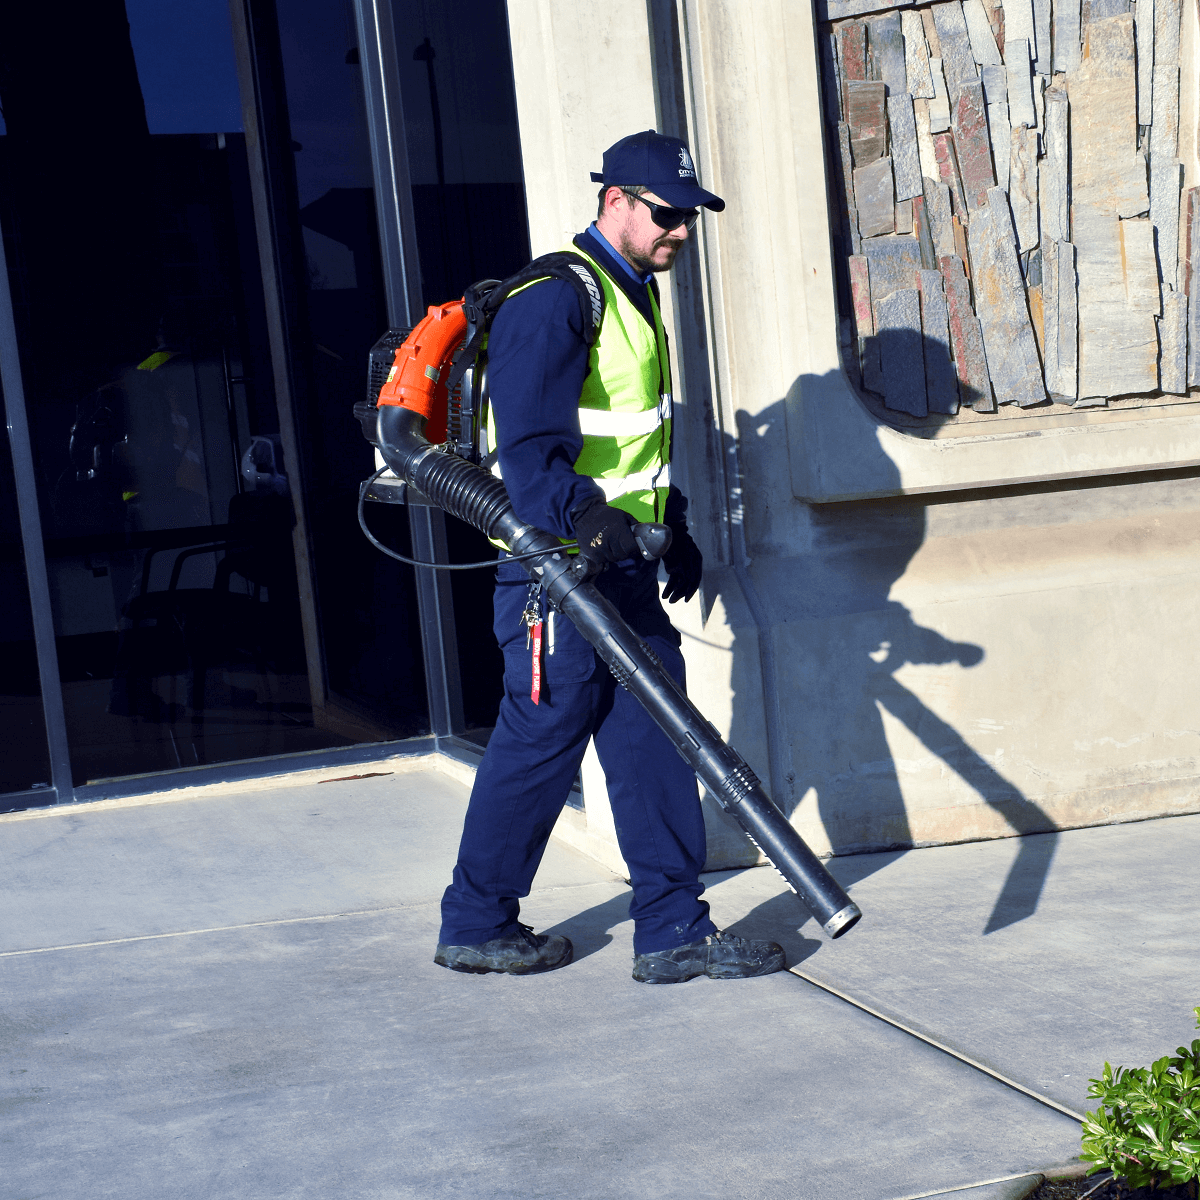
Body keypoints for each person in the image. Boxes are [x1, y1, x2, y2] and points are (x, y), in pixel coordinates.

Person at [434, 131, 785, 985]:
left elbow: (631, 443)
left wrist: (676, 522)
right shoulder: (556, 298)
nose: (680, 233)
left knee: (655, 738)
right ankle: (477, 921)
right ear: (616, 199)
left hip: (618, 569)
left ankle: (672, 929)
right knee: (541, 739)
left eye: (689, 218)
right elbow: (529, 453)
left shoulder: (634, 293)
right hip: (553, 575)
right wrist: (591, 525)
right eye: (667, 214)